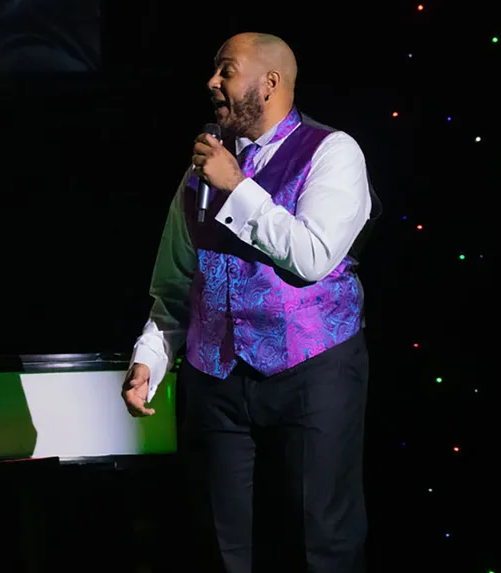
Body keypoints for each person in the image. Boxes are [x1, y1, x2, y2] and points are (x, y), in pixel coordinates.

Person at [122, 33, 380, 572]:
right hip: (216, 378)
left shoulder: (332, 152)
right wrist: (150, 357)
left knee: (320, 539)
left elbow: (312, 256)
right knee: (221, 543)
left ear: (270, 83)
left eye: (226, 71)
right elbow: (175, 283)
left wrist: (237, 186)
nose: (211, 83)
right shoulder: (201, 170)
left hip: (312, 370)